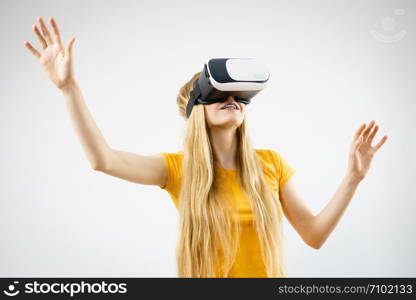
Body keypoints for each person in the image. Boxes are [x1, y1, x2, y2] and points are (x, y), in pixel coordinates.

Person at [24, 16, 388, 278]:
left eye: (239, 95)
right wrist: (68, 88)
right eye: (218, 95)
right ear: (196, 109)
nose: (232, 100)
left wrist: (353, 177)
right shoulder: (176, 169)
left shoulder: (271, 164)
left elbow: (315, 235)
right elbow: (102, 160)